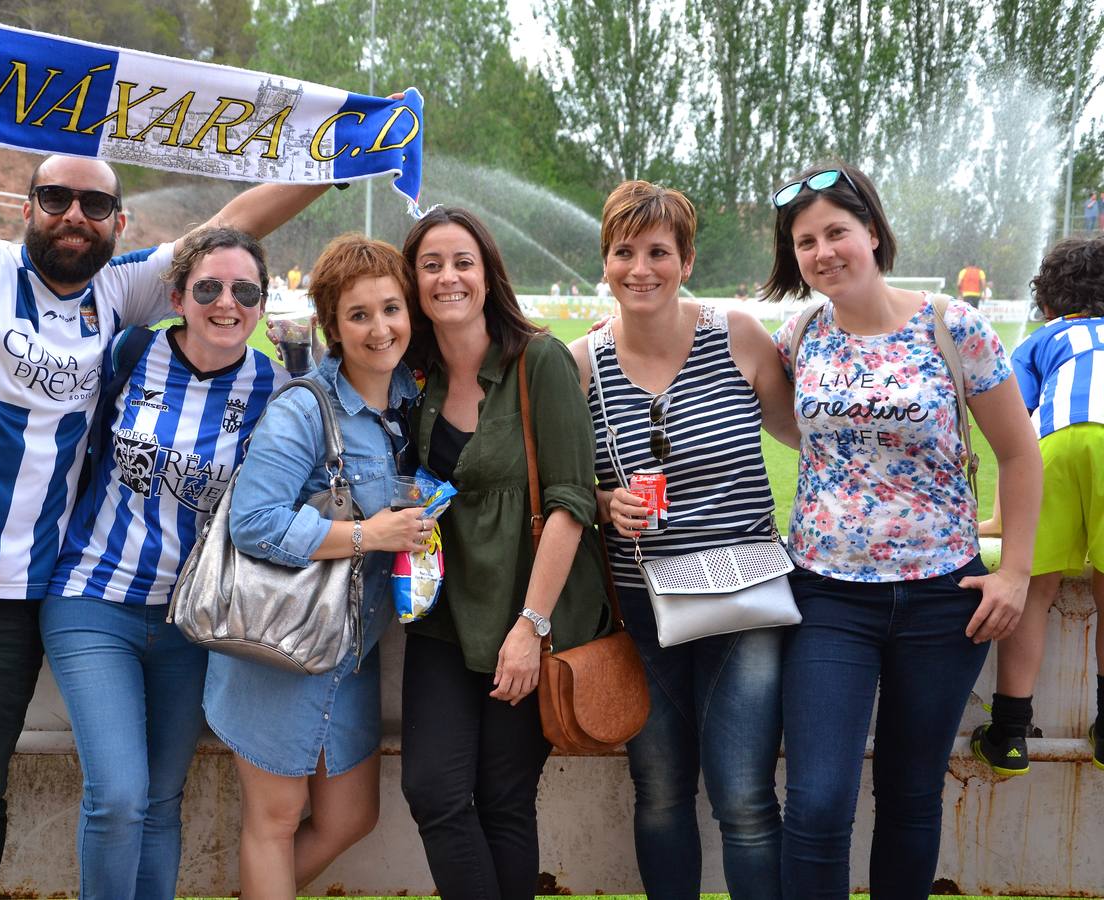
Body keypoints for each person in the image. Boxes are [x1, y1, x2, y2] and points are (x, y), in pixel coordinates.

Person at [0, 5, 330, 898]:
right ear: (28, 208)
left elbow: (237, 222)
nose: (74, 215)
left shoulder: (119, 296)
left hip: (17, 600)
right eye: (56, 197)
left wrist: (346, 146)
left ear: (119, 224)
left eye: (94, 203)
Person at [765, 163, 1041, 899]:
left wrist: (1014, 572)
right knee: (818, 799)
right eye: (805, 241)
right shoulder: (799, 336)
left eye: (837, 232)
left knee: (911, 796)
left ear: (874, 234)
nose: (823, 252)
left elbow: (1019, 454)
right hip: (827, 598)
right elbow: (795, 429)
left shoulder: (953, 326)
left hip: (942, 597)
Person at [40, 226, 286, 898]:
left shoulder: (277, 386)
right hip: (94, 601)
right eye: (207, 287)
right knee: (119, 794)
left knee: (159, 802)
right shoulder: (129, 353)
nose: (225, 302)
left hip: (193, 624)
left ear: (263, 303)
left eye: (244, 290)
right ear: (178, 295)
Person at [567, 180, 796, 900]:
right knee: (660, 792)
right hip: (641, 612)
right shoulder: (580, 365)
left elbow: (812, 441)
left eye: (659, 251)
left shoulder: (737, 336)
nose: (641, 268)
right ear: (604, 262)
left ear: (686, 260)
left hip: (745, 601)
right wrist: (607, 503)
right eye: (623, 251)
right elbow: (565, 491)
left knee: (744, 799)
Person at [397, 206, 610, 899]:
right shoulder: (412, 375)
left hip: (527, 619)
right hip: (443, 617)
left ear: (489, 274)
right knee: (433, 791)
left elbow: (573, 502)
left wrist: (531, 626)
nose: (448, 277)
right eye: (431, 265)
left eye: (463, 262)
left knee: (503, 800)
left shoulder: (537, 362)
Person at [212, 233, 429, 897]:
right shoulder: (305, 408)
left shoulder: (412, 406)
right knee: (274, 820)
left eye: (391, 309)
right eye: (358, 315)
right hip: (281, 643)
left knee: (350, 817)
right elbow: (253, 522)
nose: (379, 327)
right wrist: (367, 533)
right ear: (332, 326)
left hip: (352, 651)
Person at [972, 234, 1104, 776]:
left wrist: (1002, 523)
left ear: (1047, 301)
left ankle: (1008, 733)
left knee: (1034, 585)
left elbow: (1014, 440)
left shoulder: (1042, 338)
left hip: (1057, 440)